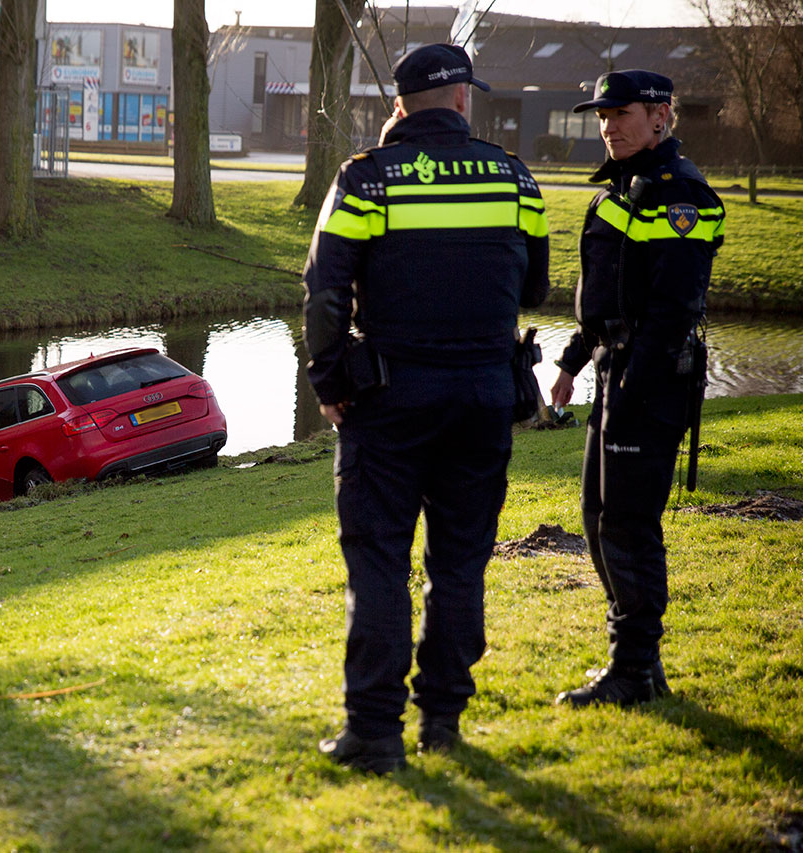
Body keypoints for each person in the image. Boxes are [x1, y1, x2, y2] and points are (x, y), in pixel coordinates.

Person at [302, 43, 550, 773]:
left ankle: (375, 733)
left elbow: (323, 294)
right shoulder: (515, 177)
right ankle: (442, 720)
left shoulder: (367, 179)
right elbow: (533, 290)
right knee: (461, 561)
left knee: (380, 561)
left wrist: (327, 382)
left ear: (399, 106)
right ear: (465, 99)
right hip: (484, 395)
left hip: (389, 399)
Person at [549, 70, 725, 707]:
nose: (608, 125)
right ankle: (640, 667)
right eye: (602, 114)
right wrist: (572, 360)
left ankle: (631, 671)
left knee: (627, 524)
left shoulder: (682, 195)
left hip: (650, 383)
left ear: (661, 116)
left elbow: (672, 311)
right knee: (599, 520)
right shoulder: (620, 190)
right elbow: (605, 300)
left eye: (621, 113)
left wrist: (629, 395)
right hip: (613, 372)